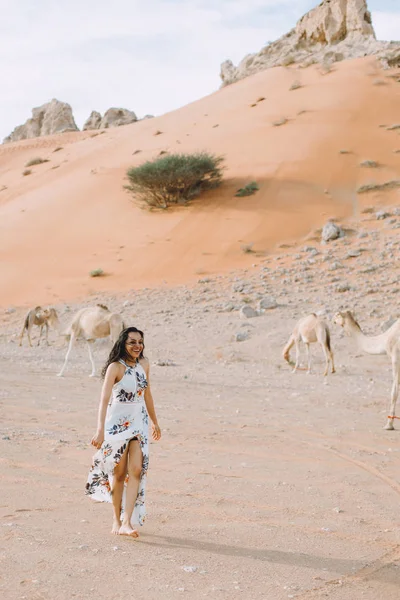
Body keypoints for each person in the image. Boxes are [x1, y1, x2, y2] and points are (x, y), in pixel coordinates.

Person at [85, 326, 161, 537]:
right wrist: (100, 430)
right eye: (132, 342)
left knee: (136, 470)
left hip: (139, 423)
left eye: (140, 342)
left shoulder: (144, 364)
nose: (137, 346)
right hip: (117, 424)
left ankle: (128, 522)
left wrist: (154, 422)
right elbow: (104, 400)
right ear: (123, 345)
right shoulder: (115, 368)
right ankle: (116, 520)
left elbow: (147, 395)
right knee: (118, 474)